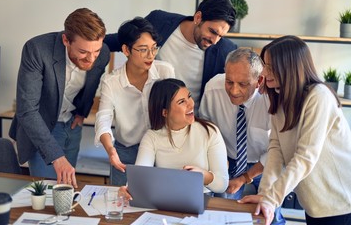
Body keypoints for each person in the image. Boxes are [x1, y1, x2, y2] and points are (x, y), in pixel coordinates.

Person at [239, 35, 351, 225]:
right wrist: (266, 195)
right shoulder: (280, 98)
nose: (265, 72)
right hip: (315, 206)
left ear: (290, 67)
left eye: (271, 67)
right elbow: (276, 151)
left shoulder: (319, 96)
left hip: (339, 204)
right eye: (265, 65)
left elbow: (305, 157)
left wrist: (272, 199)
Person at [9, 8, 110, 187]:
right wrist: (56, 156)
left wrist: (82, 112)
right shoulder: (37, 50)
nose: (91, 59)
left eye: (96, 51)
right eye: (83, 52)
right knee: (47, 191)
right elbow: (27, 110)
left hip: (72, 125)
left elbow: (92, 83)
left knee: (66, 189)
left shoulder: (102, 54)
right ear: (65, 40)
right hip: (43, 127)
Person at [104, 0, 238, 113]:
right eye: (213, 32)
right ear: (198, 17)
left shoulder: (226, 51)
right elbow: (119, 41)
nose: (215, 41)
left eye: (221, 36)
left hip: (190, 123)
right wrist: (89, 41)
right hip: (151, 118)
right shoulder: (160, 21)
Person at [199, 48, 285, 224]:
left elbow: (277, 149)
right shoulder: (212, 88)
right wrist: (216, 155)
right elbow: (205, 126)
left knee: (270, 214)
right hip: (228, 160)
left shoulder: (272, 99)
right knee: (223, 214)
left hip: (266, 162)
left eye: (243, 84)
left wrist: (246, 177)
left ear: (259, 80)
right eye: (229, 82)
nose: (234, 91)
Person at [94, 17, 175, 186]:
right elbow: (103, 119)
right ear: (126, 50)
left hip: (162, 150)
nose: (151, 55)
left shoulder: (164, 71)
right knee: (121, 202)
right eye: (143, 49)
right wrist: (111, 150)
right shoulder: (111, 81)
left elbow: (175, 111)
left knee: (160, 204)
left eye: (154, 48)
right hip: (126, 153)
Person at [119, 78, 229, 199]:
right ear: (165, 112)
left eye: (189, 97)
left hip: (203, 200)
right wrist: (129, 189)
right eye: (182, 102)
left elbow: (222, 184)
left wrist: (203, 176)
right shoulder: (151, 138)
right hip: (165, 201)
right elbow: (140, 176)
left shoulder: (209, 132)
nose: (191, 104)